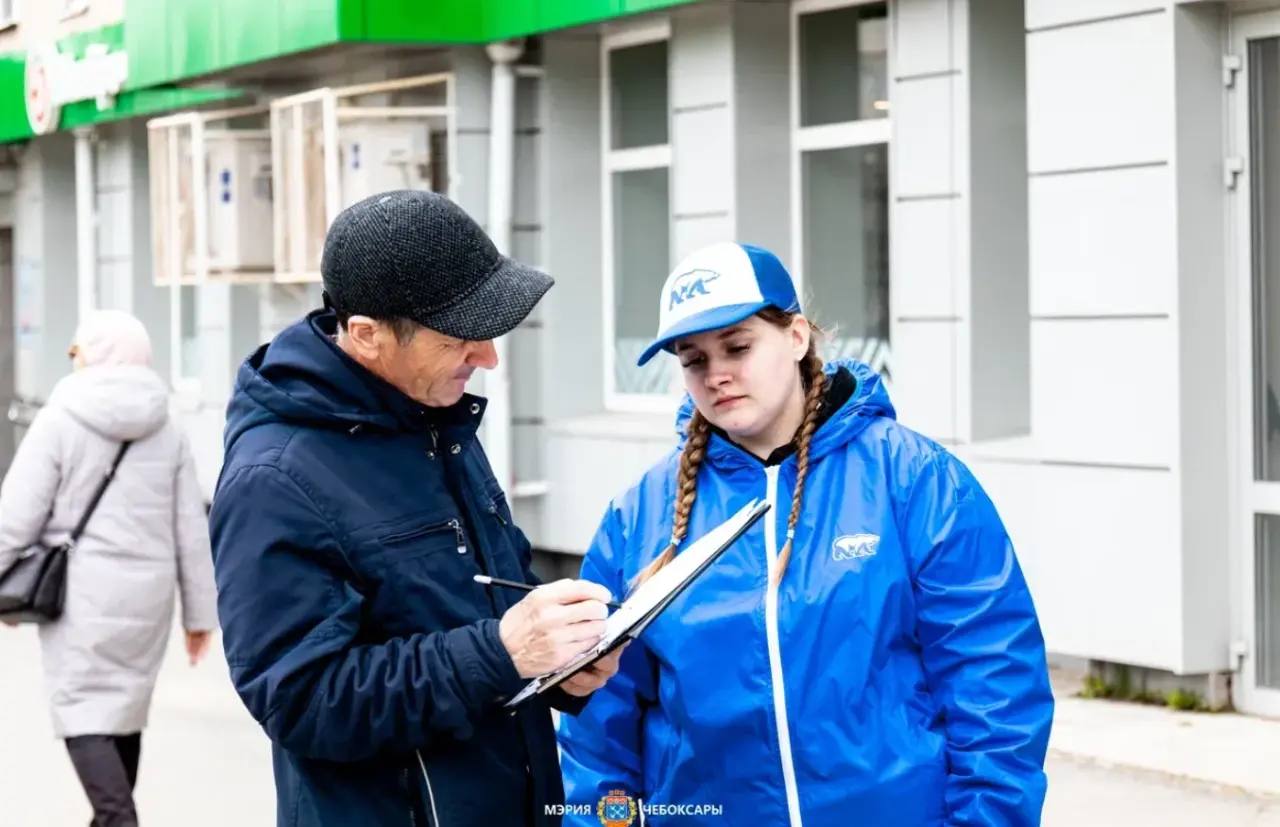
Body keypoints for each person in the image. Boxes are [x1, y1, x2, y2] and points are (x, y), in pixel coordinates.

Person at [558, 242, 1054, 825]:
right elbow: (599, 728)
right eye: (693, 360)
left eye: (738, 347)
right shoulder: (638, 517)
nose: (717, 374)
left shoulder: (914, 479)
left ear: (796, 337)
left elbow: (993, 680)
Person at [209, 190, 622, 827]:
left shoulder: (433, 420)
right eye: (462, 337)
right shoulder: (276, 477)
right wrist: (502, 653)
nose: (488, 357)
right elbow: (302, 699)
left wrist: (560, 658)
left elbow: (481, 601)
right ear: (367, 336)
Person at [0, 309, 217, 827]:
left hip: (82, 595)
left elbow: (16, 513)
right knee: (121, 708)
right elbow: (191, 525)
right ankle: (112, 816)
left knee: (83, 707)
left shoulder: (60, 416)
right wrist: (198, 615)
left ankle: (117, 815)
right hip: (149, 599)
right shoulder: (167, 424)